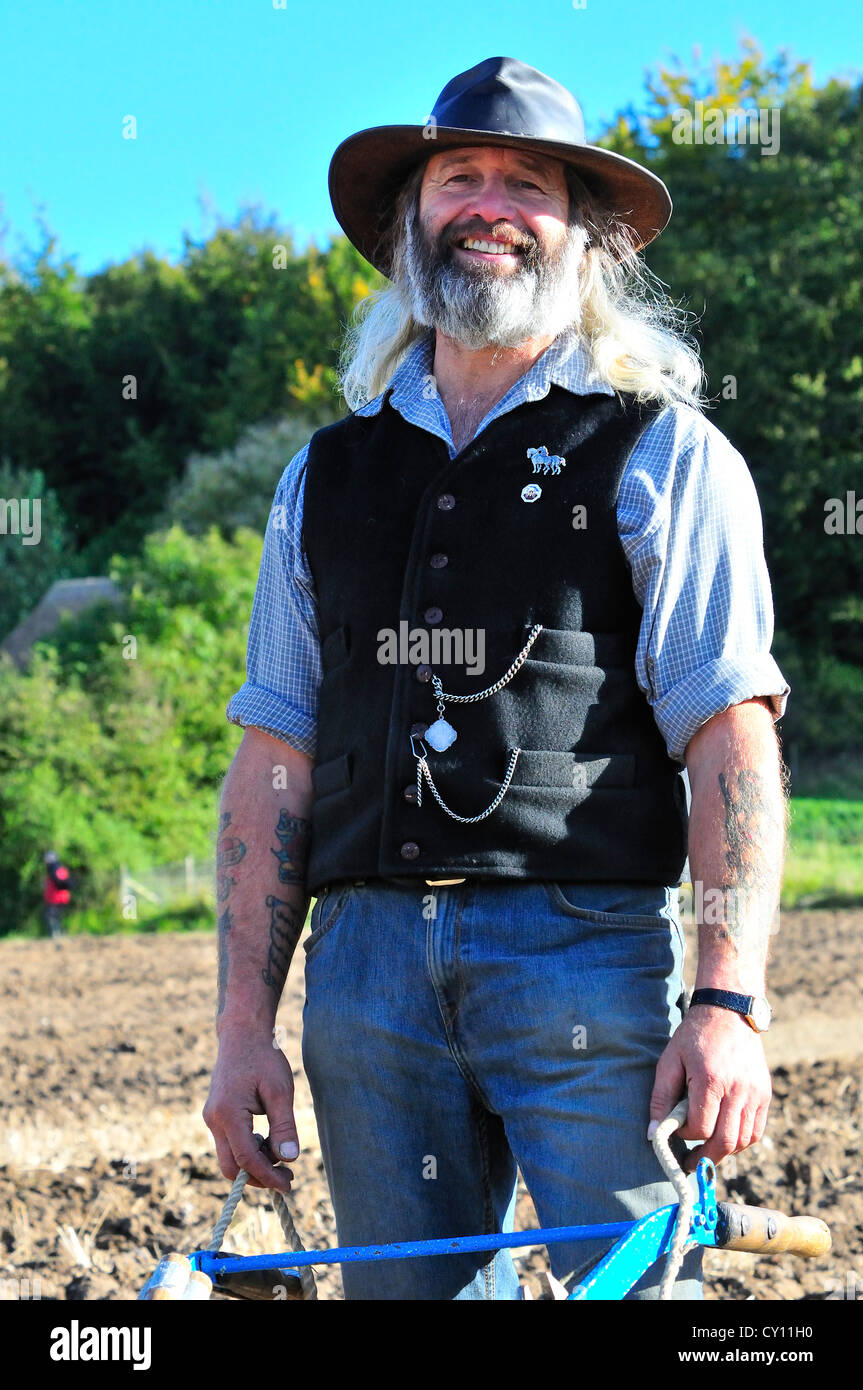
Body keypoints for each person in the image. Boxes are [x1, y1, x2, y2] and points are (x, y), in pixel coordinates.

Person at [204, 57, 788, 1300]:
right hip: (361, 978)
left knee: (636, 1299)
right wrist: (240, 1033)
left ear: (585, 239)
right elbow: (276, 755)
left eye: (527, 182)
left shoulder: (664, 454)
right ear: (409, 224)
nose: (489, 203)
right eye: (457, 176)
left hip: (583, 954)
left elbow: (730, 738)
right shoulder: (322, 475)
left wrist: (726, 1001)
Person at [43, 850, 72, 939]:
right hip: (59, 898)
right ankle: (57, 934)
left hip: (56, 898)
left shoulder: (54, 870)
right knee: (55, 917)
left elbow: (61, 883)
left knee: (52, 917)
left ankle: (56, 934)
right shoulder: (59, 869)